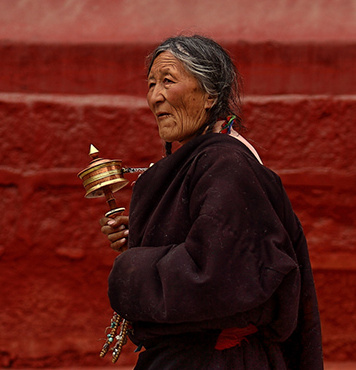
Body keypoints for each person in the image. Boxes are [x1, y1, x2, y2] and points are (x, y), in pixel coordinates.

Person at [99, 35, 323, 369]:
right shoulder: (204, 162)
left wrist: (129, 269)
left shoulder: (226, 166)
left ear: (210, 96)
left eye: (168, 81)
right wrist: (142, 238)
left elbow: (219, 274)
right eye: (151, 84)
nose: (155, 96)